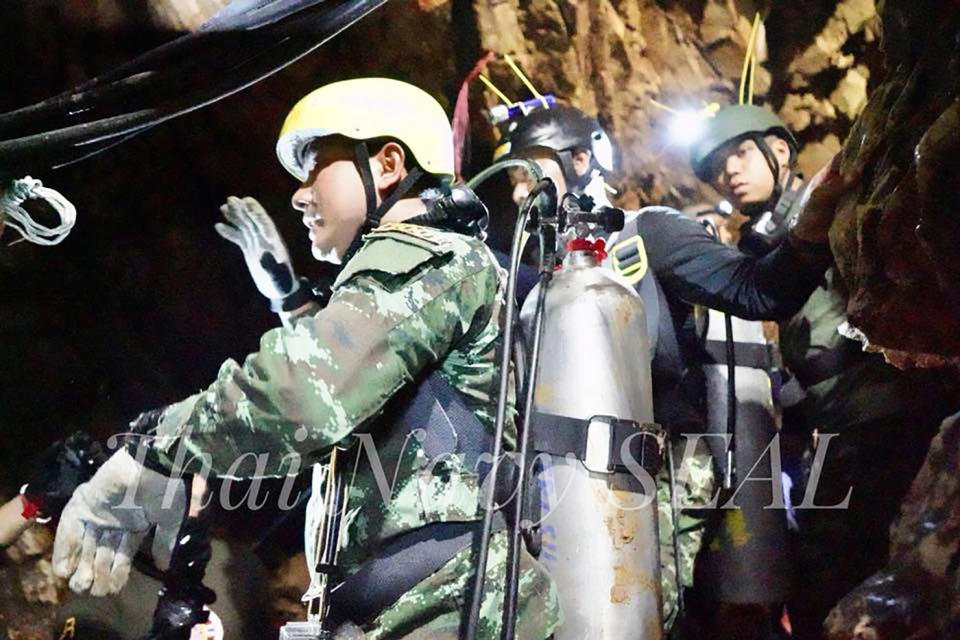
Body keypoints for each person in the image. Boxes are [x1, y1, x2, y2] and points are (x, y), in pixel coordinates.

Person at [50, 78, 561, 639]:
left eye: (316, 166)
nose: (298, 193)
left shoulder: (435, 254)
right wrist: (289, 299)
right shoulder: (433, 272)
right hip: (411, 613)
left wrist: (152, 451)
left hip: (451, 615)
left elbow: (304, 391)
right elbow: (367, 390)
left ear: (388, 164)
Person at [495, 103, 843, 635]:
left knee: (649, 619)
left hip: (662, 473)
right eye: (513, 178)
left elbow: (754, 290)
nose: (520, 192)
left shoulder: (648, 235)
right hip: (557, 486)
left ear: (582, 160)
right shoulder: (529, 280)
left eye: (529, 171)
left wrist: (811, 230)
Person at [690, 103, 959, 639]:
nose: (730, 172)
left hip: (888, 415)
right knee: (829, 575)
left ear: (780, 150)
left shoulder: (830, 206)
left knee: (843, 575)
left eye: (740, 153)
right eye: (718, 167)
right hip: (841, 425)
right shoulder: (767, 243)